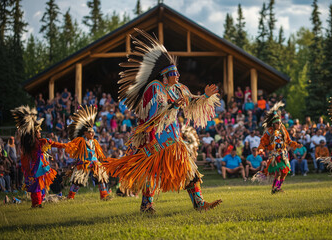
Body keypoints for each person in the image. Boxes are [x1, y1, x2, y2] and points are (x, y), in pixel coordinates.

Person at [103, 29, 221, 213]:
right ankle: (146, 205)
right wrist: (173, 106)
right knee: (152, 171)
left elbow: (190, 102)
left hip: (174, 138)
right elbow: (152, 114)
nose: (178, 76)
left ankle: (199, 203)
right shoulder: (154, 87)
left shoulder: (179, 88)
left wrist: (205, 96)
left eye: (178, 73)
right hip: (156, 137)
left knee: (189, 168)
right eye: (175, 73)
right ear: (165, 75)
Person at [11, 106, 67, 208]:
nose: (40, 133)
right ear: (34, 133)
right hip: (35, 167)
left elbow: (53, 143)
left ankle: (38, 202)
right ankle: (36, 204)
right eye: (38, 131)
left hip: (40, 166)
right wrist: (64, 146)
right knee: (35, 185)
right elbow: (52, 143)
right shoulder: (33, 143)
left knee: (40, 184)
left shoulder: (38, 142)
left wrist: (65, 145)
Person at [64, 105, 110, 200]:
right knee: (77, 181)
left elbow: (96, 153)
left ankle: (104, 196)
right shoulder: (80, 141)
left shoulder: (95, 142)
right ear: (85, 133)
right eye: (90, 132)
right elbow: (73, 147)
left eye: (93, 132)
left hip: (95, 162)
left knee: (100, 179)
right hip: (83, 163)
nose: (92, 134)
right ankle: (70, 196)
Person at [256, 102, 299, 193]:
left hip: (283, 154)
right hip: (275, 156)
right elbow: (263, 142)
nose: (279, 124)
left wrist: (295, 144)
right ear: (273, 124)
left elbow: (288, 140)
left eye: (280, 122)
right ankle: (274, 188)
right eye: (277, 123)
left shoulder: (283, 129)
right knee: (279, 172)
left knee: (285, 172)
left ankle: (278, 187)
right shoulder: (269, 132)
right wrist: (260, 148)